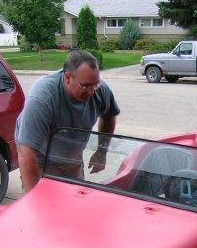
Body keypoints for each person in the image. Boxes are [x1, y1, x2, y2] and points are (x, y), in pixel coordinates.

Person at [15, 50, 120, 192]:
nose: (92, 91)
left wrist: (101, 151)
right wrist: (32, 199)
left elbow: (109, 116)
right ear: (67, 78)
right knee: (43, 202)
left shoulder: (101, 89)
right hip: (40, 158)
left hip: (72, 156)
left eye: (95, 84)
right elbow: (26, 152)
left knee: (75, 199)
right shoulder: (42, 98)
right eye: (85, 86)